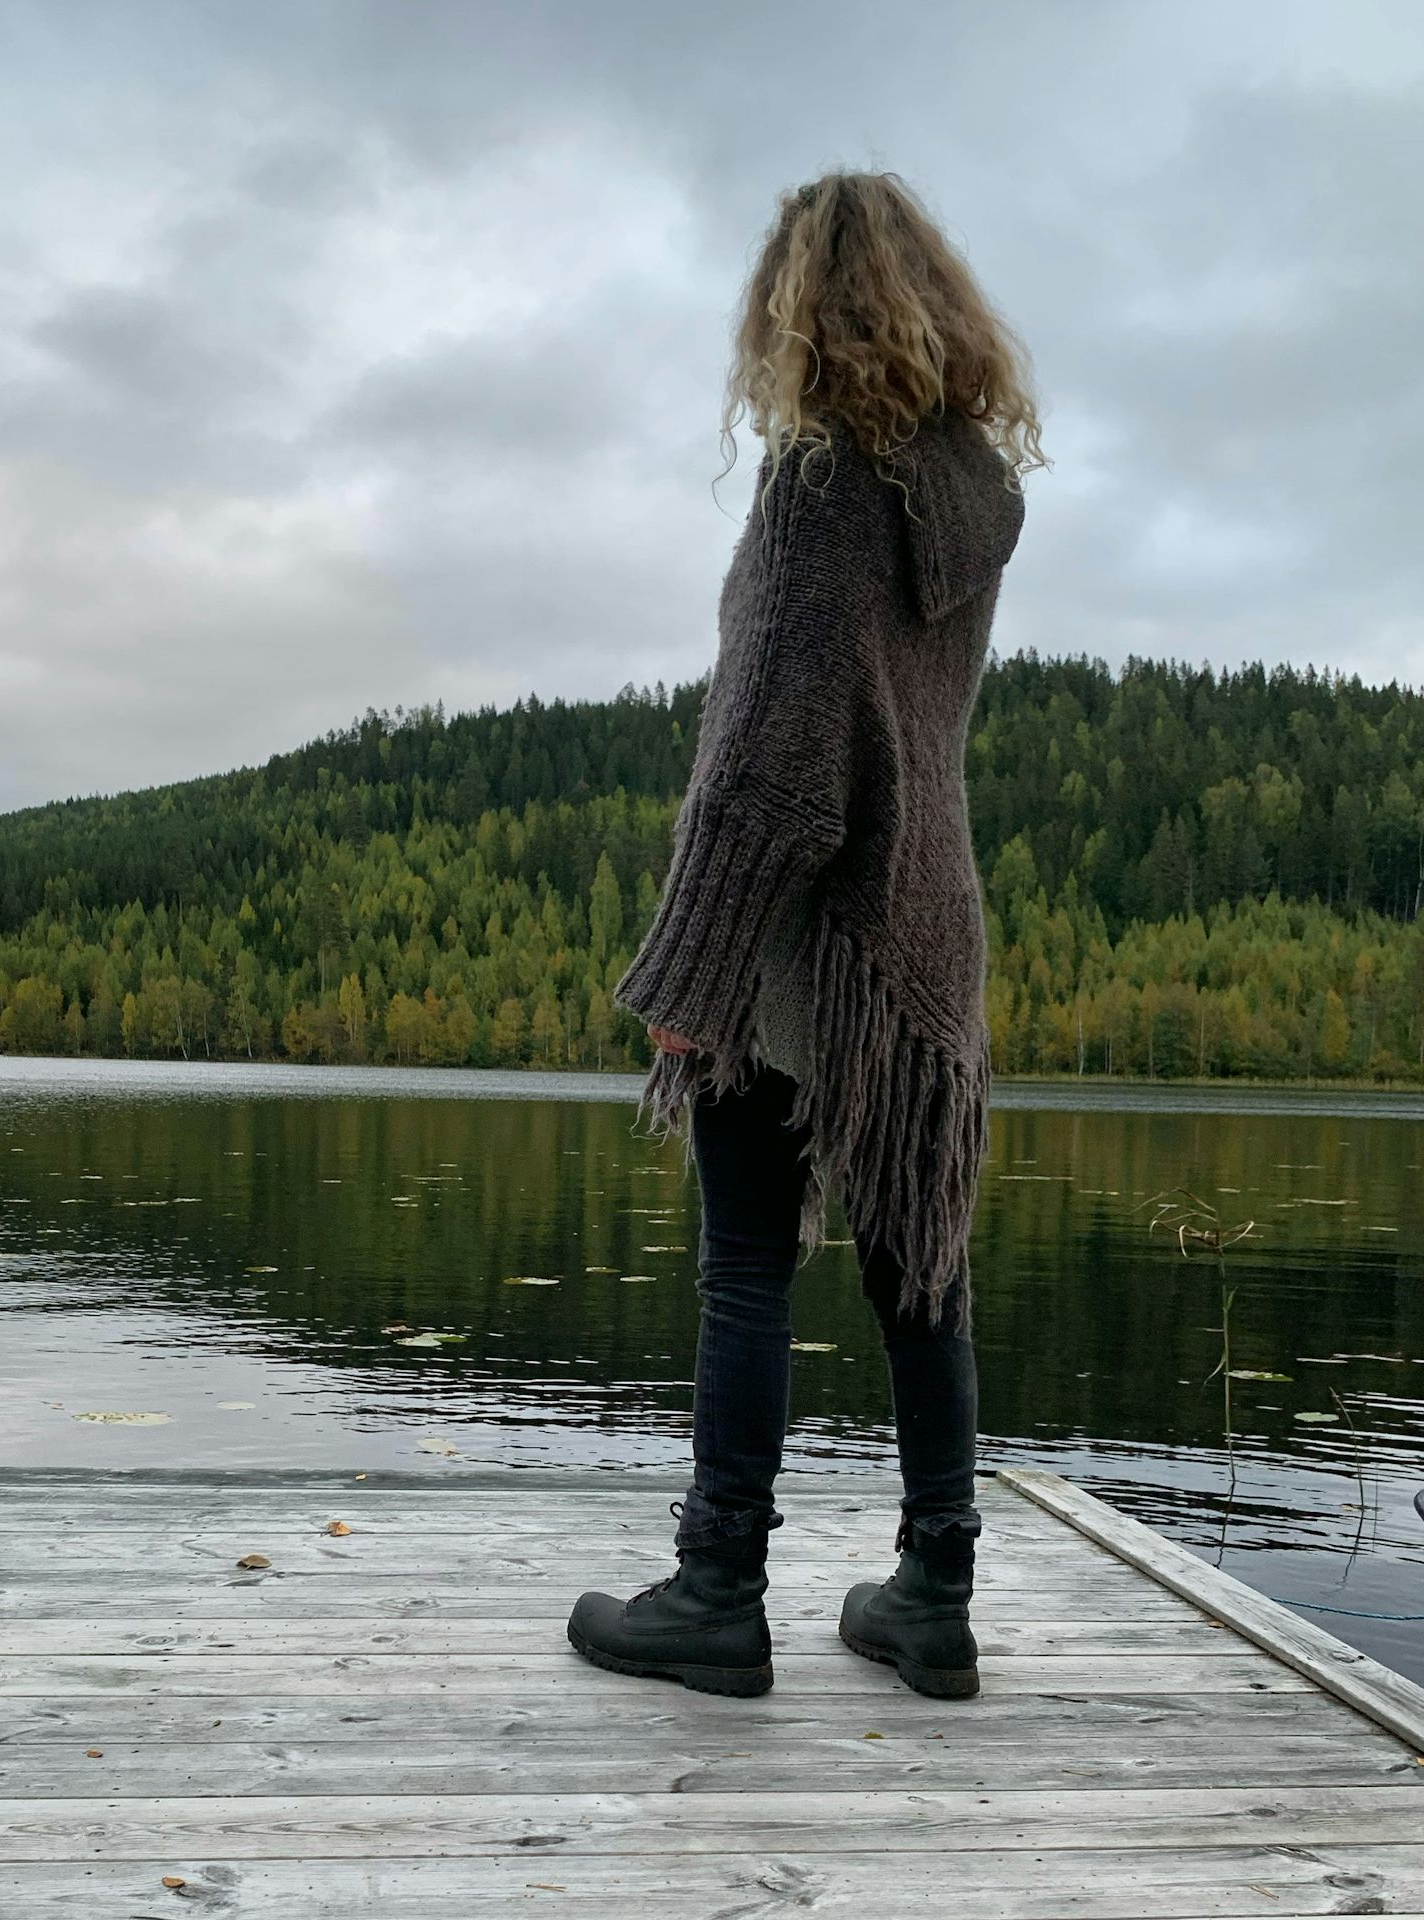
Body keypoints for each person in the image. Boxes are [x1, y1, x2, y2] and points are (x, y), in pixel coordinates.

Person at [566, 170, 1042, 1700]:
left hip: (804, 942)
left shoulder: (821, 490)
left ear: (793, 307)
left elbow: (770, 758)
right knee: (922, 1274)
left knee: (748, 1272)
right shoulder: (979, 497)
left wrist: (693, 977)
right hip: (929, 930)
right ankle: (935, 1599)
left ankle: (717, 1594)